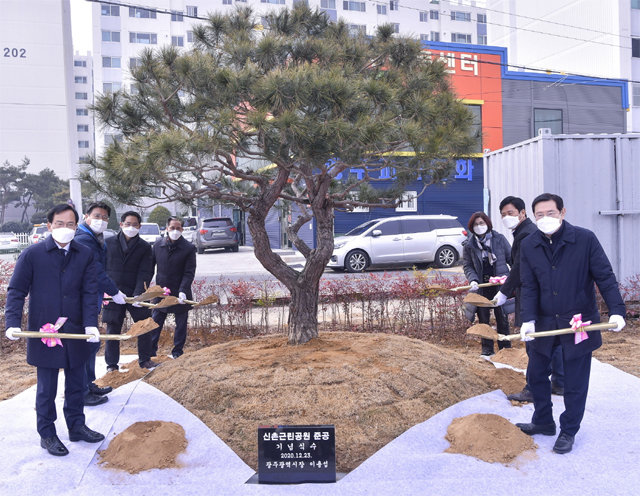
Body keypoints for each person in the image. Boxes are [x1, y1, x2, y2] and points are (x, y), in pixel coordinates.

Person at [516, 193, 626, 454]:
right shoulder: (530, 244)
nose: (545, 219)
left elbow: (605, 276)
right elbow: (529, 286)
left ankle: (568, 430)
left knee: (575, 381)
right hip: (544, 322)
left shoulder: (584, 239)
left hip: (579, 322)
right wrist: (527, 319)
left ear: (562, 212)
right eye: (539, 215)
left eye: (550, 213)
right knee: (536, 374)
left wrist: (617, 310)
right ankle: (543, 421)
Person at [4, 204, 105, 456]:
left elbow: (90, 290)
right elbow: (16, 291)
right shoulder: (32, 254)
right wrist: (13, 323)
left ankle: (76, 425)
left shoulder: (84, 254)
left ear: (76, 226)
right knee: (46, 387)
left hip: (76, 329)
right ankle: (47, 433)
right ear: (49, 226)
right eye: (59, 224)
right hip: (45, 331)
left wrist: (91, 322)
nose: (65, 229)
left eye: (70, 224)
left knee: (76, 382)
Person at [493, 196, 564, 401]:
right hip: (547, 295)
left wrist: (504, 291)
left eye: (511, 213)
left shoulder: (526, 235)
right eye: (503, 215)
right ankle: (559, 382)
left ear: (523, 213)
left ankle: (533, 388)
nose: (507, 217)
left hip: (533, 296)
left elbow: (519, 267)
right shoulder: (526, 232)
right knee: (554, 340)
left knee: (534, 343)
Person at [74, 201, 127, 406]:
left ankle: (89, 384)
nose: (101, 221)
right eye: (97, 216)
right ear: (86, 217)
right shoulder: (84, 239)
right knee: (83, 346)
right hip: (81, 301)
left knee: (90, 344)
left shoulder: (95, 237)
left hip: (90, 298)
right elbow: (95, 270)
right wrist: (114, 292)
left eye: (105, 218)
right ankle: (82, 391)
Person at [103, 211, 157, 371]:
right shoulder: (108, 243)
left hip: (137, 293)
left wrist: (139, 294)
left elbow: (146, 271)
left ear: (139, 226)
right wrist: (111, 291)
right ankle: (111, 365)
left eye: (135, 225)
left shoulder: (145, 247)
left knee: (144, 325)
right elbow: (103, 270)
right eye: (128, 224)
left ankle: (145, 360)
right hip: (114, 293)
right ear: (121, 224)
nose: (131, 227)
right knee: (113, 328)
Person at [462, 211, 512, 356]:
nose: (479, 226)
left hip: (499, 286)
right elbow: (468, 266)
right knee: (483, 320)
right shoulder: (469, 245)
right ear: (472, 227)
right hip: (481, 287)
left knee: (502, 318)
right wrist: (473, 280)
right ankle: (487, 350)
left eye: (482, 223)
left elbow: (511, 259)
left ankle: (505, 349)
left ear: (488, 224)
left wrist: (511, 278)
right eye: (476, 224)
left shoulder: (499, 239)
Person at [150, 216, 197, 359]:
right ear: (167, 228)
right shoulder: (158, 246)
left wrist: (183, 290)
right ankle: (151, 351)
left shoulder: (188, 248)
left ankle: (177, 351)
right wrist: (146, 290)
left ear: (182, 229)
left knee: (181, 324)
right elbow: (149, 268)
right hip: (162, 292)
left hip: (180, 293)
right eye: (172, 228)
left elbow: (189, 272)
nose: (175, 231)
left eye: (178, 228)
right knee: (155, 322)